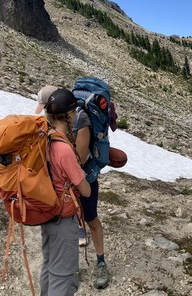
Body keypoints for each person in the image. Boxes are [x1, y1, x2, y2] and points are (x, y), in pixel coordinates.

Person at [37, 84, 112, 289]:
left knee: (91, 219)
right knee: (74, 228)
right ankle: (69, 269)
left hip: (80, 180)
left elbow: (81, 157)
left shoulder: (81, 122)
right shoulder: (54, 131)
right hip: (68, 188)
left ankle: (100, 261)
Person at [39, 88, 92, 295]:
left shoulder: (45, 138)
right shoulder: (64, 149)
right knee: (64, 274)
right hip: (63, 218)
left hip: (47, 213)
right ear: (69, 116)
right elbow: (85, 190)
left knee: (49, 265)